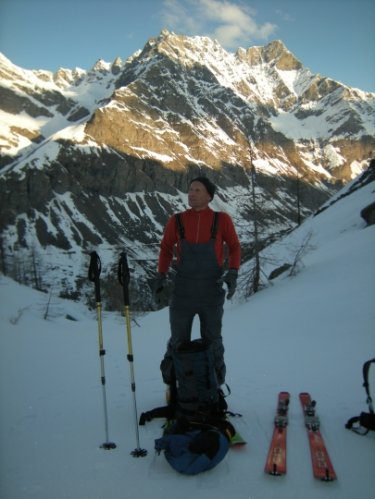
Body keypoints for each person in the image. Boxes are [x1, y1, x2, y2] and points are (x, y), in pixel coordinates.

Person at [154, 176, 241, 390]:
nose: (191, 193)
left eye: (197, 190)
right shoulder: (177, 220)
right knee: (178, 341)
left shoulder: (222, 220)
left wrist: (233, 272)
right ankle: (173, 387)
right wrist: (161, 275)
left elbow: (235, 247)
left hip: (211, 294)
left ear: (209, 196)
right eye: (190, 189)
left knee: (213, 342)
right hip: (183, 293)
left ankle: (214, 387)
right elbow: (166, 248)